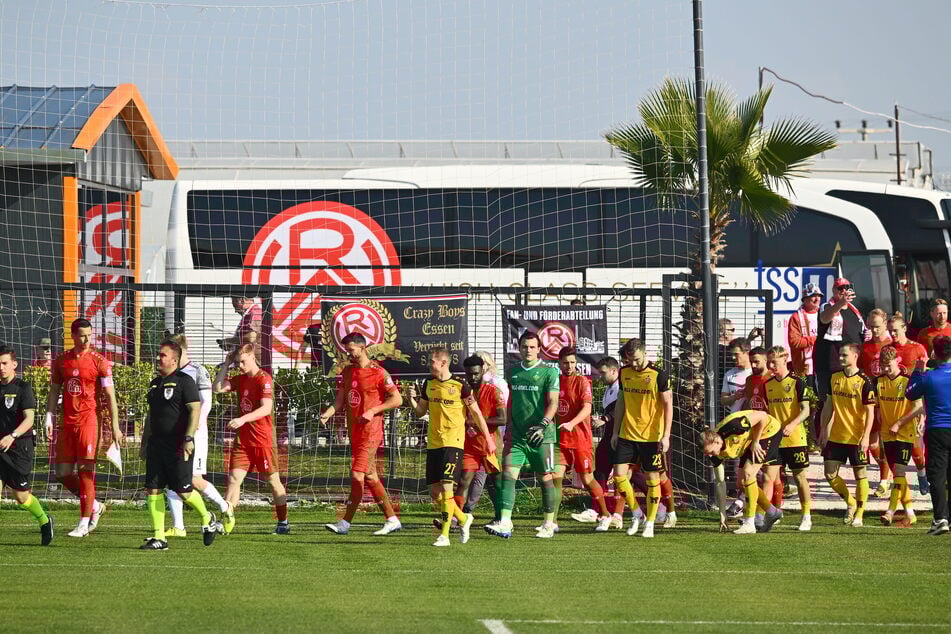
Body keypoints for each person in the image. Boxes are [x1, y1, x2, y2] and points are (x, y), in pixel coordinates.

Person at [139, 340, 223, 550]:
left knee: (183, 490)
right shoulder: (155, 384)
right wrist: (144, 443)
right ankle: (159, 537)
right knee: (153, 489)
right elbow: (152, 416)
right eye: (159, 355)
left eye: (163, 355)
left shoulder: (185, 382)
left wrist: (188, 438)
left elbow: (195, 410)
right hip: (156, 445)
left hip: (178, 445)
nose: (159, 358)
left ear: (175, 359)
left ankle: (207, 518)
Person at [45, 318, 123, 538]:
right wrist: (49, 417)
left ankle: (84, 522)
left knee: (86, 471)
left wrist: (115, 427)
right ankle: (95, 506)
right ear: (72, 335)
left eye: (89, 334)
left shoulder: (100, 362)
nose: (87, 339)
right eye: (82, 335)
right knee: (62, 473)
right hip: (66, 423)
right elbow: (54, 391)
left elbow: (110, 397)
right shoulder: (61, 361)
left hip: (89, 422)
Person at [408, 348, 493, 547]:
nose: (430, 366)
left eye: (432, 362)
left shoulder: (460, 385)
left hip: (453, 443)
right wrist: (410, 398)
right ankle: (464, 519)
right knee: (435, 494)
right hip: (433, 444)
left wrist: (488, 439)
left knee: (447, 489)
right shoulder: (428, 384)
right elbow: (421, 412)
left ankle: (445, 536)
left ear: (443, 363)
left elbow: (477, 414)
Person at [321, 333, 403, 536]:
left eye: (350, 350)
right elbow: (339, 400)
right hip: (355, 432)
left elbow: (397, 399)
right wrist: (327, 414)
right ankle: (392, 519)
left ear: (362, 347)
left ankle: (345, 523)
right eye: (346, 350)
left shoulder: (379, 372)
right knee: (371, 476)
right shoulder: (347, 372)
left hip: (371, 432)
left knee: (357, 474)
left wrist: (373, 410)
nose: (347, 354)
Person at [485, 331, 560, 539]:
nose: (528, 350)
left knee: (545, 478)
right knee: (508, 476)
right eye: (525, 346)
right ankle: (506, 523)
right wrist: (508, 426)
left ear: (539, 349)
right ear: (519, 348)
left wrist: (543, 424)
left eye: (532, 347)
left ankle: (548, 523)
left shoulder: (550, 372)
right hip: (517, 434)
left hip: (542, 435)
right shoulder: (513, 372)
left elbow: (553, 402)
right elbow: (511, 401)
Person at [213, 343, 289, 535]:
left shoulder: (264, 379)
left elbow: (265, 408)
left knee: (272, 481)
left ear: (252, 356)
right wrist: (226, 364)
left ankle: (283, 522)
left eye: (242, 362)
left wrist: (242, 419)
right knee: (233, 479)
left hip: (262, 440)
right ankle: (227, 517)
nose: (240, 366)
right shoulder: (240, 379)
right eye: (237, 362)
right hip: (244, 441)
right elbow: (218, 388)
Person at [163, 334, 232, 538]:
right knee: (172, 478)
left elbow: (206, 403)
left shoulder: (198, 371)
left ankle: (224, 506)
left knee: (194, 479)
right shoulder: (169, 373)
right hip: (174, 435)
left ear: (180, 350)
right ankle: (178, 527)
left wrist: (191, 431)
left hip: (195, 434)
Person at [610, 338, 673, 538]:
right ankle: (637, 513)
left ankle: (651, 523)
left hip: (651, 437)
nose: (634, 364)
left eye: (636, 359)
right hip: (627, 434)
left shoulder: (659, 376)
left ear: (644, 353)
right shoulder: (624, 373)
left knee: (652, 479)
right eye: (630, 360)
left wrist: (666, 435)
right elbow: (621, 401)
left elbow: (668, 405)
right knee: (619, 476)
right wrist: (614, 431)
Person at [552, 347, 612, 532]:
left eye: (572, 362)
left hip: (580, 439)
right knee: (555, 478)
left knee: (587, 479)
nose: (569, 366)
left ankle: (605, 515)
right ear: (559, 363)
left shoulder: (582, 382)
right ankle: (551, 521)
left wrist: (571, 423)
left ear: (576, 363)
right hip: (559, 440)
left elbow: (586, 409)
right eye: (565, 362)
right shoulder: (555, 381)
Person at [0, 345, 54, 545]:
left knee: (22, 498)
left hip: (18, 448)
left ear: (14, 364)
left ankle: (44, 520)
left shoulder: (23, 388)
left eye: (5, 363)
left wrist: (12, 435)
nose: (1, 367)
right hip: (0, 449)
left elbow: (29, 419)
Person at [819, 342, 876, 527]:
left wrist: (866, 436)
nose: (841, 358)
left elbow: (870, 412)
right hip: (837, 435)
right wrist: (823, 429)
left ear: (855, 356)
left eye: (844, 355)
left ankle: (859, 513)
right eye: (840, 355)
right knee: (830, 474)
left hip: (857, 437)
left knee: (860, 475)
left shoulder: (865, 381)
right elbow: (828, 406)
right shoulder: (834, 377)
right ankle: (850, 503)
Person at [703, 409, 784, 535]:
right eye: (707, 454)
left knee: (748, 474)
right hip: (750, 439)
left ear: (717, 442)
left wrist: (756, 442)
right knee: (741, 483)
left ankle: (749, 523)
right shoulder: (714, 453)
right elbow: (720, 482)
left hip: (768, 430)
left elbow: (762, 416)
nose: (710, 456)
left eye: (711, 452)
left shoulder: (734, 426)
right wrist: (722, 514)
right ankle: (772, 512)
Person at [573, 356, 626, 529]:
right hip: (610, 435)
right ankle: (598, 511)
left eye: (603, 373)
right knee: (601, 469)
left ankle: (619, 514)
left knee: (629, 476)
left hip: (623, 436)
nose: (600, 377)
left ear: (613, 370)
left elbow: (622, 408)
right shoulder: (609, 388)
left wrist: (605, 418)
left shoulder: (622, 386)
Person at [905, 335, 951, 535]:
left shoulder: (929, 377)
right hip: (942, 428)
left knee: (937, 476)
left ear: (934, 353)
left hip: (937, 431)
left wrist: (917, 370)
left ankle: (940, 519)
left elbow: (910, 392)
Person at [765, 346, 813, 531]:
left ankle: (806, 516)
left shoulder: (797, 383)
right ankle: (770, 514)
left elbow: (806, 410)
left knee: (799, 477)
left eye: (774, 362)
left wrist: (792, 425)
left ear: (784, 360)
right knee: (770, 478)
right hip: (775, 439)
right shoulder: (767, 385)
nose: (771, 366)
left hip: (795, 439)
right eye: (769, 362)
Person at [876, 344, 922, 527]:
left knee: (900, 473)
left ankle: (890, 511)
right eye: (883, 365)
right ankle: (910, 513)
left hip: (904, 433)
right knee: (898, 476)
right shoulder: (879, 381)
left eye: (889, 365)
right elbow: (879, 408)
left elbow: (918, 407)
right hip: (887, 434)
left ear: (898, 361)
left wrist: (899, 423)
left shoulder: (908, 381)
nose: (887, 369)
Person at [457, 355, 505, 526]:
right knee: (463, 481)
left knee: (496, 483)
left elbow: (502, 419)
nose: (473, 377)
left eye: (476, 373)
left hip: (490, 446)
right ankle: (458, 517)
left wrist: (476, 421)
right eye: (469, 374)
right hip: (469, 446)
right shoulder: (463, 391)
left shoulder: (494, 391)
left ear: (483, 370)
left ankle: (501, 518)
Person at [887, 313, 930, 494]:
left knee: (916, 450)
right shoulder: (888, 349)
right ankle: (897, 486)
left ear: (904, 328)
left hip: (914, 405)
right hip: (893, 404)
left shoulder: (917, 348)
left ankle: (921, 473)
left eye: (895, 331)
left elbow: (926, 377)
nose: (893, 335)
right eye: (890, 331)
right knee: (894, 449)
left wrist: (923, 413)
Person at [814, 278, 867, 409]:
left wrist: (867, 334)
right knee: (827, 403)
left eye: (847, 287)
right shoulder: (827, 306)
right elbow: (824, 318)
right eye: (840, 288)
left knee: (848, 404)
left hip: (850, 366)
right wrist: (841, 303)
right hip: (830, 365)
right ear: (833, 290)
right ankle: (824, 429)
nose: (844, 290)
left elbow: (859, 331)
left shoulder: (855, 310)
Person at [861, 308, 894, 497]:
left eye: (877, 327)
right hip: (870, 399)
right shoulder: (864, 346)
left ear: (885, 323)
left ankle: (884, 480)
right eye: (871, 327)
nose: (874, 330)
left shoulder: (891, 345)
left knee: (886, 439)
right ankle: (885, 469)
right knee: (872, 442)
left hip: (888, 398)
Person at [788, 283, 822, 380]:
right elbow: (795, 342)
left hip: (823, 366)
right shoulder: (796, 317)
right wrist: (817, 339)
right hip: (805, 368)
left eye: (818, 296)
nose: (817, 299)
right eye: (813, 296)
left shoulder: (825, 314)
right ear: (805, 299)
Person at [218, 296, 262, 360]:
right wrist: (232, 345)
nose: (235, 311)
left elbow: (251, 338)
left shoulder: (254, 313)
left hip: (253, 362)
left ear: (242, 300)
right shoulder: (250, 314)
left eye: (235, 306)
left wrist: (230, 341)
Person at [720, 338, 752, 414]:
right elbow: (723, 400)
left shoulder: (756, 371)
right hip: (736, 420)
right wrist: (735, 397)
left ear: (747, 353)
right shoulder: (729, 374)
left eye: (736, 354)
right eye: (732, 354)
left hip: (754, 419)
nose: (733, 358)